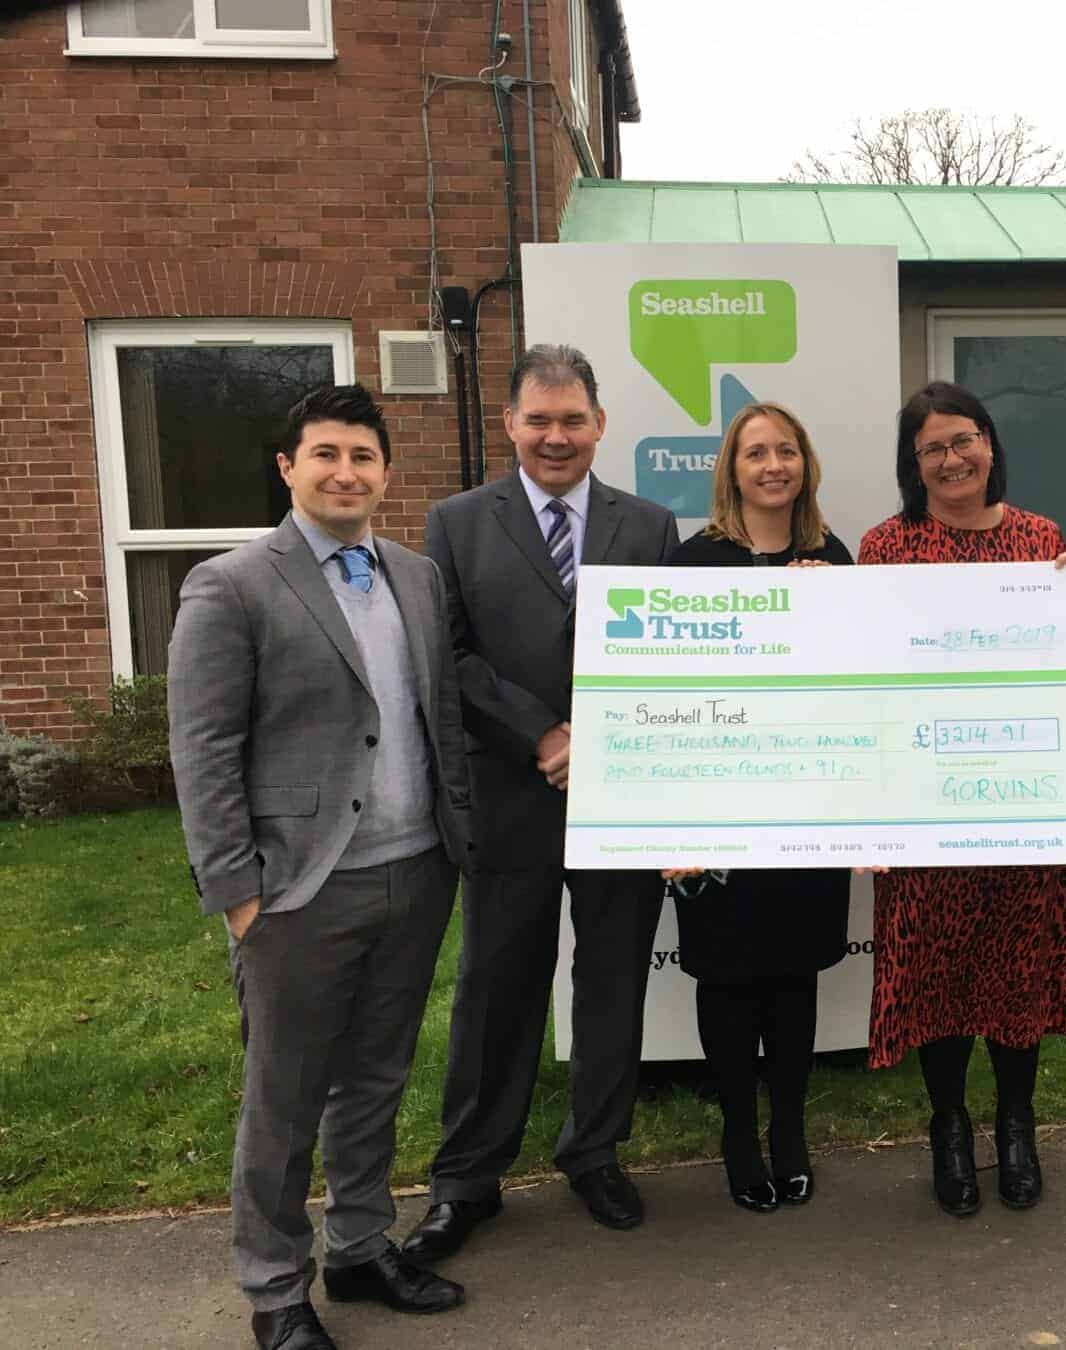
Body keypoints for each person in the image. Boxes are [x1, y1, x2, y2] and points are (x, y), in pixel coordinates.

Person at [168, 383, 473, 1350]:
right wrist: (239, 894)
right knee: (285, 1098)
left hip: (416, 871)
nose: (347, 472)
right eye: (327, 454)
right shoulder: (233, 584)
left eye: (364, 457)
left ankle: (358, 1245)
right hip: (300, 888)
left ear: (386, 474)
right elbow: (204, 751)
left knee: (377, 1078)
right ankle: (274, 1291)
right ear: (289, 468)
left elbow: (437, 717)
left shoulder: (415, 578)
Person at [401, 345, 680, 1262]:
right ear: (510, 423)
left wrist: (610, 744)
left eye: (573, 420)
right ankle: (467, 1178)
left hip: (622, 797)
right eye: (538, 420)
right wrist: (545, 734)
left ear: (600, 424)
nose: (555, 437)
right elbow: (451, 654)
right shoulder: (455, 523)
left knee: (611, 979)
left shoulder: (648, 527)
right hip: (511, 793)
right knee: (497, 985)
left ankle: (595, 1151)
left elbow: (672, 658)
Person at [856, 381, 1066, 1218]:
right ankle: (950, 1126)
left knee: (1018, 967)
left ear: (989, 443)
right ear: (911, 464)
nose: (951, 459)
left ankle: (1017, 1124)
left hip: (1019, 799)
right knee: (936, 970)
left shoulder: (1042, 543)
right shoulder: (884, 547)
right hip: (922, 803)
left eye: (964, 440)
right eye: (932, 449)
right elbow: (861, 676)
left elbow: (1060, 668)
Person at [663, 401, 854, 1213]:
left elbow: (857, 684)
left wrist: (827, 607)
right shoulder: (693, 561)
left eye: (786, 451)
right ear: (730, 470)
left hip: (809, 797)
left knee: (795, 974)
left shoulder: (833, 556)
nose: (773, 465)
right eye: (755, 453)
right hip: (715, 802)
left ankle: (790, 1132)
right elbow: (663, 687)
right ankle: (739, 1135)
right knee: (728, 976)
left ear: (805, 464)